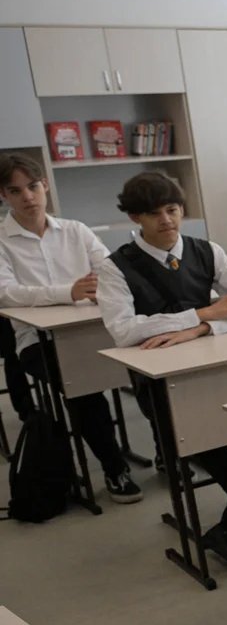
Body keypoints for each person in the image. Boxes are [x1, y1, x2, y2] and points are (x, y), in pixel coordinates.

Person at [97, 172, 227, 567]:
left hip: (218, 365)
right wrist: (203, 312)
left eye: (172, 210)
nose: (167, 220)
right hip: (160, 381)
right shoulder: (115, 268)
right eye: (154, 214)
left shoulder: (207, 250)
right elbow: (123, 331)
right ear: (135, 218)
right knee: (198, 438)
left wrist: (205, 328)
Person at [0, 153, 142, 503]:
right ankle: (114, 468)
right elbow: (6, 293)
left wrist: (103, 289)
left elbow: (110, 272)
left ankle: (170, 455)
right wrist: (68, 292)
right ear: (3, 196)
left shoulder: (76, 230)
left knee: (151, 370)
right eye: (15, 191)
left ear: (45, 185)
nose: (28, 197)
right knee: (84, 385)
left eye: (33, 187)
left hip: (96, 329)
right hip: (36, 341)